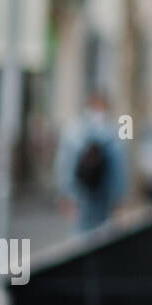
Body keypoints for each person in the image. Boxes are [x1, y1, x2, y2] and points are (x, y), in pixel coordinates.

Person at [54, 90, 127, 233]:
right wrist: (119, 199)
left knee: (82, 236)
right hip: (101, 199)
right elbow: (118, 170)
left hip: (83, 197)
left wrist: (64, 194)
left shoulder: (74, 130)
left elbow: (64, 164)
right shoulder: (112, 132)